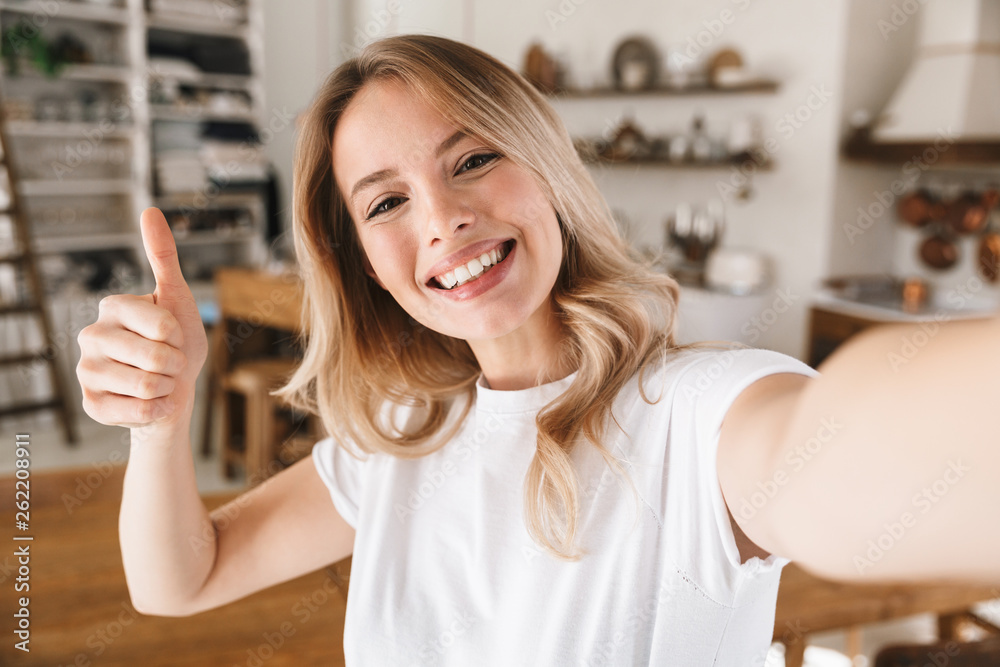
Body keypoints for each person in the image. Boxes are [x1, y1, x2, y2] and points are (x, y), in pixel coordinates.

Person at [76, 34, 999, 665]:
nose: (444, 221)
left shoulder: (697, 413)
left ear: (548, 171)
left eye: (473, 159)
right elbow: (177, 579)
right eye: (386, 202)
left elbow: (837, 454)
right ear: (359, 259)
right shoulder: (402, 435)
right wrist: (159, 421)